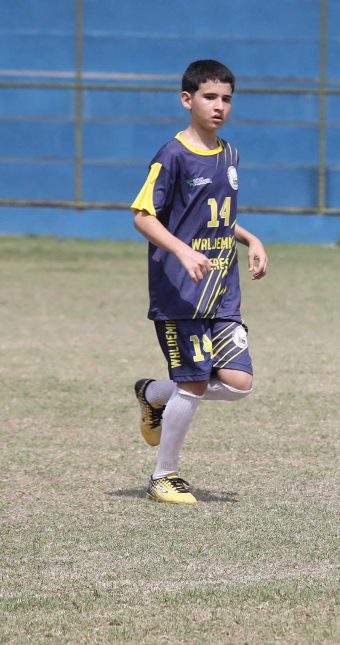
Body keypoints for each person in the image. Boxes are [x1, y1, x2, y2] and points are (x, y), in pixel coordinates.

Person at [130, 60, 269, 504]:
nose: (219, 106)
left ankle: (152, 394)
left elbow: (217, 216)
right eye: (210, 97)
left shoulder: (229, 154)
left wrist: (250, 239)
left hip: (223, 290)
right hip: (180, 291)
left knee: (237, 384)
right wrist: (183, 250)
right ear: (187, 99)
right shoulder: (172, 155)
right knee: (192, 382)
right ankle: (164, 476)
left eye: (226, 98)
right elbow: (143, 216)